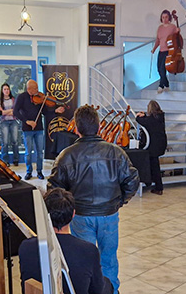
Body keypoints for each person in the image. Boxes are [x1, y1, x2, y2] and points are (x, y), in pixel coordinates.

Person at [47, 105, 139, 294]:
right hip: (109, 214)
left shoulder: (66, 155)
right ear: (98, 127)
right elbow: (132, 180)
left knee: (85, 259)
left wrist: (69, 206)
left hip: (80, 215)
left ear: (77, 128)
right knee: (109, 258)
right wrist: (119, 201)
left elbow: (54, 189)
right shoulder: (116, 152)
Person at [18, 188, 113, 294]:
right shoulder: (89, 251)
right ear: (73, 214)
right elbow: (97, 290)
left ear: (44, 213)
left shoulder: (25, 247)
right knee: (108, 285)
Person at [14, 80, 64, 180]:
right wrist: (27, 121)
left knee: (40, 152)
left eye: (37, 88)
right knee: (28, 152)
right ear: (29, 89)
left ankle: (39, 171)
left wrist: (55, 111)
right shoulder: (21, 97)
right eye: (35, 88)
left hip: (39, 128)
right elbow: (16, 111)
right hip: (27, 129)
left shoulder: (40, 98)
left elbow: (45, 112)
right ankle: (29, 172)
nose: (37, 90)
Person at [136, 100, 167, 195]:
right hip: (161, 144)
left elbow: (140, 120)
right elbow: (149, 120)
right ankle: (152, 182)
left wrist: (138, 115)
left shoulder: (151, 120)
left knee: (154, 166)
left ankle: (158, 187)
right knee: (154, 164)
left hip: (153, 146)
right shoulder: (160, 117)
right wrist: (144, 115)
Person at [150, 10, 179, 94]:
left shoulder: (172, 27)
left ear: (169, 17)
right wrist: (154, 49)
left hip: (169, 51)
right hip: (161, 51)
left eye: (166, 17)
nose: (164, 19)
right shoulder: (160, 28)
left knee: (163, 68)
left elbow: (177, 38)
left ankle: (161, 85)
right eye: (163, 17)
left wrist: (178, 31)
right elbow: (158, 40)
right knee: (159, 69)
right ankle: (166, 84)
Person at [0, 83, 19, 166]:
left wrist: (5, 111)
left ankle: (16, 159)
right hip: (4, 123)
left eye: (7, 89)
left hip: (13, 121)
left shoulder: (13, 99)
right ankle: (5, 161)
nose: (6, 91)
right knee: (5, 142)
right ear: (2, 91)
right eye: (5, 89)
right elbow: (0, 113)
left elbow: (15, 111)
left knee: (15, 141)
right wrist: (10, 111)